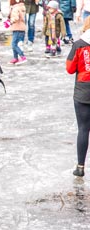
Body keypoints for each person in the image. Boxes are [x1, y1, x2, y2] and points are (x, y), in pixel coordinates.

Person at [66, 16, 90, 178]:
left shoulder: (79, 44)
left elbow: (69, 68)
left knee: (83, 129)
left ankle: (80, 166)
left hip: (83, 90)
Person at [8, 0, 27, 64]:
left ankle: (22, 56)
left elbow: (16, 17)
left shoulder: (16, 8)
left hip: (17, 28)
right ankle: (15, 58)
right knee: (16, 43)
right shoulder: (21, 7)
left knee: (14, 44)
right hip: (20, 28)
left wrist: (10, 21)